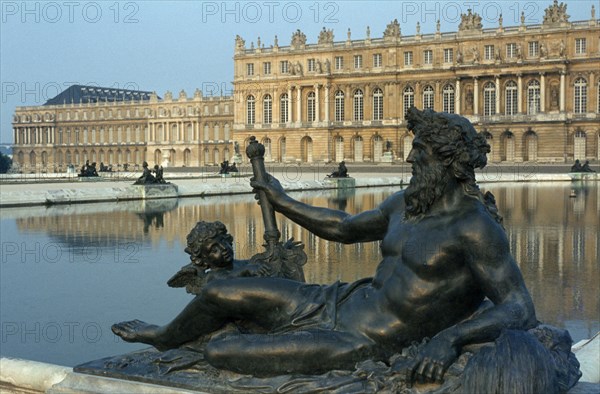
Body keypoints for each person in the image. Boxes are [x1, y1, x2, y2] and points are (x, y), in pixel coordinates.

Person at [113, 108, 536, 383]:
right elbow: (343, 227)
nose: (410, 160)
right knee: (218, 291)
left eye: (420, 153)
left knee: (221, 350)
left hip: (364, 338)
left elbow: (519, 306)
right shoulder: (407, 205)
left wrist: (451, 340)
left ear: (447, 161)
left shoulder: (474, 227)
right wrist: (280, 200)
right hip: (334, 300)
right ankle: (166, 337)